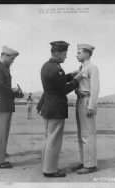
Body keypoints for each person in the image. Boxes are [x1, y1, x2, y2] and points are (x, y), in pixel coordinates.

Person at [38, 41, 83, 178]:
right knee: (54, 139)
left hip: (48, 107)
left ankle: (46, 166)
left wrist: (71, 75)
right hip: (56, 108)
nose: (66, 56)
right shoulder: (56, 69)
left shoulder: (48, 66)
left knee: (48, 138)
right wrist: (76, 80)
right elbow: (63, 89)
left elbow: (58, 81)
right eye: (64, 54)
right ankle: (50, 170)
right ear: (56, 53)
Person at [74, 44, 100, 174]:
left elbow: (94, 88)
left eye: (79, 52)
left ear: (87, 53)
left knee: (88, 134)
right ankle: (85, 161)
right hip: (80, 100)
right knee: (81, 133)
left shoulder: (92, 68)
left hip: (87, 102)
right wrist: (77, 91)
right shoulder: (80, 68)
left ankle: (90, 165)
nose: (76, 54)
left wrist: (91, 105)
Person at [0, 46, 24, 169]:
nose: (13, 61)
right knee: (2, 132)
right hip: (2, 105)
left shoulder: (4, 68)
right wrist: (13, 90)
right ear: (5, 55)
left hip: (5, 104)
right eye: (12, 59)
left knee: (3, 132)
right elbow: (0, 86)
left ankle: (1, 153)